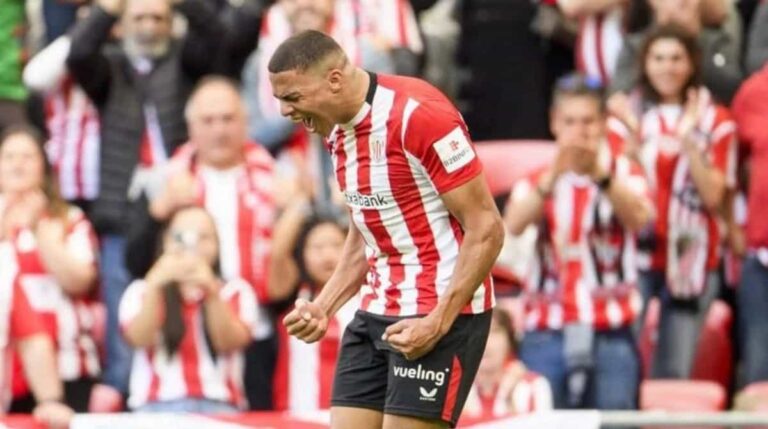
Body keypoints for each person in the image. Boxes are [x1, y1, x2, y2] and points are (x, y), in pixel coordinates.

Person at [270, 30, 504, 429]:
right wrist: (324, 307)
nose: (285, 112)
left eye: (293, 98)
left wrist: (437, 322)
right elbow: (368, 229)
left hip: (439, 308)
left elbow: (487, 229)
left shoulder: (421, 115)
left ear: (335, 80)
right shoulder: (333, 128)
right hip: (376, 308)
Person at [65, 0, 224, 399]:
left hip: (182, 202)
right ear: (124, 24)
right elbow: (78, 53)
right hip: (125, 206)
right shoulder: (110, 69)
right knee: (125, 296)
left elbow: (217, 37)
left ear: (171, 24)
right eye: (139, 17)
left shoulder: (184, 63)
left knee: (194, 294)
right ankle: (121, 390)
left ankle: (198, 388)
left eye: (158, 18)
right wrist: (106, 9)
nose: (149, 27)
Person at [125, 76, 278, 409]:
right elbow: (133, 259)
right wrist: (156, 212)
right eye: (208, 121)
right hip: (175, 320)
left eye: (227, 119)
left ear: (245, 121)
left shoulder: (277, 178)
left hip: (257, 324)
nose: (218, 130)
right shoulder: (164, 179)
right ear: (190, 126)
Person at [504, 73, 651, 410]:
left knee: (615, 421)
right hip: (546, 328)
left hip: (611, 328)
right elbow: (511, 225)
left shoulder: (624, 174)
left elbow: (641, 220)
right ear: (554, 123)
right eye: (570, 121)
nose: (579, 131)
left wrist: (601, 176)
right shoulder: (536, 179)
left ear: (602, 124)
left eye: (588, 121)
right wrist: (553, 177)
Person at [608, 24, 737, 379]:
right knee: (623, 366)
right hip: (635, 256)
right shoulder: (625, 116)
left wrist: (691, 141)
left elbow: (713, 195)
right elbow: (617, 187)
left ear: (692, 63)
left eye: (677, 58)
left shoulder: (717, 120)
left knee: (675, 371)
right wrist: (633, 146)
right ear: (645, 63)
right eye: (659, 58)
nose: (668, 67)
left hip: (691, 258)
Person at [119, 206, 259, 412]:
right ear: (165, 241)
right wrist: (155, 284)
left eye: (204, 237)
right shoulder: (141, 290)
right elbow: (139, 338)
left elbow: (228, 342)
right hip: (155, 407)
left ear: (217, 244)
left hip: (220, 405)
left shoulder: (235, 290)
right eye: (180, 236)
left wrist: (210, 290)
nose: (193, 245)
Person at [0, 126, 101, 413]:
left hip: (67, 362)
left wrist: (41, 233)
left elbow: (80, 280)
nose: (17, 164)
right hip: (8, 366)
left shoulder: (69, 219)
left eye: (27, 156)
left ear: (43, 166)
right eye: (9, 157)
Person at [268, 208, 358, 412]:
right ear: (302, 256)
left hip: (353, 418)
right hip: (294, 417)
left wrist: (349, 206)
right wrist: (303, 200)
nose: (327, 255)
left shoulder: (371, 295)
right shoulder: (292, 294)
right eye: (317, 247)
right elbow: (277, 253)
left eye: (336, 245)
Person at [610, 0, 743, 104]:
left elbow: (734, 90)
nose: (682, 2)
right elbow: (618, 95)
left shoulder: (718, 40)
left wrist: (694, 40)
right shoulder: (635, 45)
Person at [23, 34, 101, 206]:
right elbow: (33, 77)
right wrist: (87, 29)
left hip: (106, 187)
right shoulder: (58, 66)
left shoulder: (116, 62)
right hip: (62, 184)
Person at [732, 55, 768, 387]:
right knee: (760, 376)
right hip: (762, 259)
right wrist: (735, 229)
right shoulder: (753, 93)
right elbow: (733, 169)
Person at [461, 308, 552, 419]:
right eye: (475, 333)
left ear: (509, 342)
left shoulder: (533, 386)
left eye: (494, 332)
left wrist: (507, 399)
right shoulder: (449, 391)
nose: (485, 342)